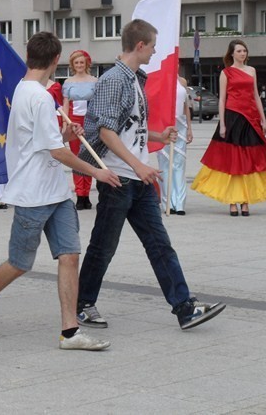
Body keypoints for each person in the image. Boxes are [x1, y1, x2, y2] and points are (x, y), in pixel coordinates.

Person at [0, 32, 118, 350]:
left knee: (70, 255)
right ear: (54, 60)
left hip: (56, 191)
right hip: (33, 192)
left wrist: (64, 132)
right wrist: (96, 171)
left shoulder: (32, 91)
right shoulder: (36, 95)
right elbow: (55, 151)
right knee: (20, 262)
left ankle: (70, 332)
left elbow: (45, 141)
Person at [77, 19, 226, 331]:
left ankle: (185, 308)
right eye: (153, 46)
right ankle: (81, 303)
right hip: (118, 179)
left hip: (139, 178)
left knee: (159, 244)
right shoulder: (114, 80)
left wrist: (159, 135)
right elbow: (105, 132)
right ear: (140, 45)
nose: (155, 52)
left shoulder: (134, 79)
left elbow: (129, 127)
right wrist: (138, 165)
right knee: (103, 246)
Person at [192, 39, 266, 216]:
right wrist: (222, 123)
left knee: (249, 160)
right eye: (239, 51)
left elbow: (255, 96)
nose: (242, 54)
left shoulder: (252, 70)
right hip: (232, 118)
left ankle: (245, 201)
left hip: (250, 118)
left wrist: (263, 120)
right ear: (232, 53)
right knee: (232, 161)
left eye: (244, 51)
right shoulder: (226, 72)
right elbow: (222, 99)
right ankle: (232, 201)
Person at [62, 50, 98, 210]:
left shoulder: (95, 81)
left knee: (88, 156)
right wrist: (65, 124)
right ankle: (80, 194)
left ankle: (87, 194)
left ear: (87, 64)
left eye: (81, 62)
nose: (79, 65)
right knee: (76, 158)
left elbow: (97, 103)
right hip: (74, 121)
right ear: (72, 65)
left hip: (90, 122)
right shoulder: (68, 82)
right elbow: (66, 104)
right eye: (76, 63)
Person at [157, 74, 193, 215]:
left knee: (179, 164)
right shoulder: (160, 77)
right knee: (165, 165)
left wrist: (189, 127)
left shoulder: (182, 81)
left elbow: (186, 107)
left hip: (180, 125)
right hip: (164, 124)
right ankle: (167, 203)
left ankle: (180, 204)